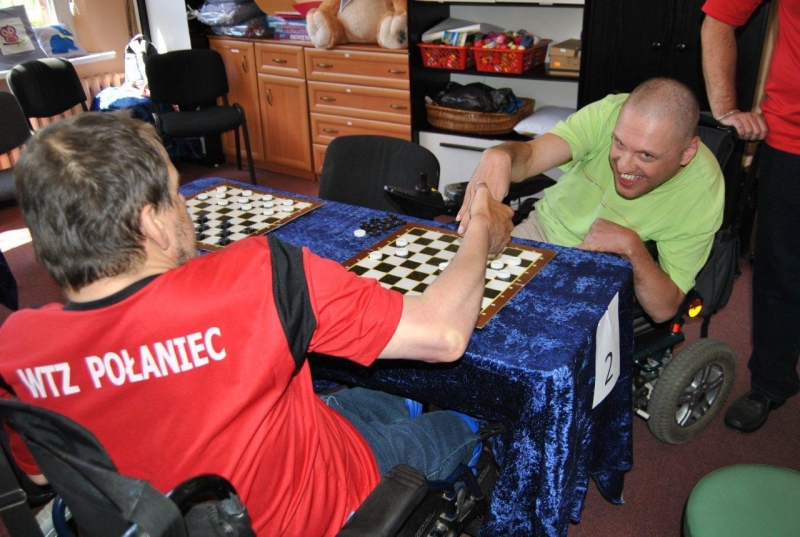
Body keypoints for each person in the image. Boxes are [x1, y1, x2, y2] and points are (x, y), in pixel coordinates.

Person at [0, 112, 514, 536]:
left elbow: (41, 474)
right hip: (329, 502)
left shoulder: (15, 351)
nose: (185, 209)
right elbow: (444, 335)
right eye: (176, 194)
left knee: (384, 396)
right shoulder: (256, 276)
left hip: (249, 471)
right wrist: (480, 230)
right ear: (152, 223)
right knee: (461, 422)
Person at [457, 77, 724, 324]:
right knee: (465, 305)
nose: (624, 166)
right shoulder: (608, 114)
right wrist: (502, 155)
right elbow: (530, 157)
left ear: (687, 152)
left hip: (605, 267)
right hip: (542, 232)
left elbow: (664, 309)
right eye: (619, 144)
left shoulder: (703, 195)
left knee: (539, 334)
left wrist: (633, 248)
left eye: (646, 156)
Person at [701, 0, 800, 433]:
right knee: (782, 272)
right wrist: (726, 110)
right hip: (793, 144)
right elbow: (719, 18)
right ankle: (771, 383)